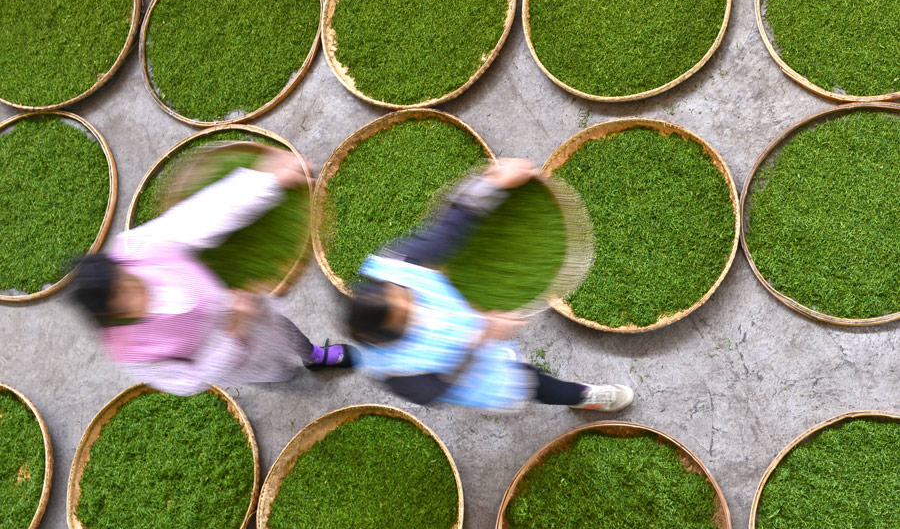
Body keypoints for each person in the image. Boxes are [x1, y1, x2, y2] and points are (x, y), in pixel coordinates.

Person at [346, 158, 634, 412]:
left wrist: (491, 184)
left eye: (406, 295)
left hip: (464, 317)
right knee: (529, 381)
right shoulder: (398, 372)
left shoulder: (395, 269)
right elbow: (441, 389)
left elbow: (445, 233)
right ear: (388, 338)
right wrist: (481, 337)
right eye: (408, 314)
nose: (414, 301)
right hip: (472, 368)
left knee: (517, 362)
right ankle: (582, 396)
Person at [70, 145, 354, 396]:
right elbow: (186, 382)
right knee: (274, 370)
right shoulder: (129, 353)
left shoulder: (134, 251)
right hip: (233, 355)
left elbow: (202, 216)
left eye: (128, 280)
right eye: (124, 298)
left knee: (286, 331)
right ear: (109, 316)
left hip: (239, 300)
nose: (136, 289)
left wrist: (271, 182)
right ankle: (287, 376)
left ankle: (314, 356)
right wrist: (232, 336)